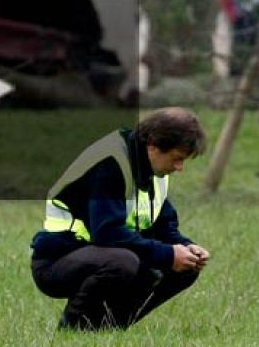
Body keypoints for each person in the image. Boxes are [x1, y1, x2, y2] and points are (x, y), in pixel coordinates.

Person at [30, 107, 209, 331]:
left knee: (186, 266)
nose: (180, 168)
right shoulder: (110, 162)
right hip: (57, 261)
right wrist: (168, 254)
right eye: (177, 159)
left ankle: (111, 328)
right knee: (123, 262)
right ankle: (72, 329)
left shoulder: (153, 170)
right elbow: (108, 234)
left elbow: (164, 228)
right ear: (153, 146)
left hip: (103, 256)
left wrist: (186, 247)